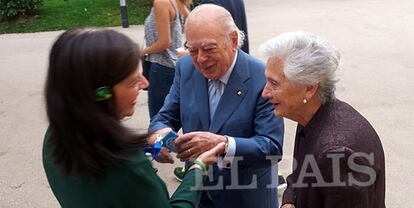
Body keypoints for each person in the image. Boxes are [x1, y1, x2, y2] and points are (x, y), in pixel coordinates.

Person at [42, 28, 225, 208]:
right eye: (133, 81)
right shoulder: (128, 168)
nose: (145, 84)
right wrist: (198, 168)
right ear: (103, 94)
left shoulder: (55, 137)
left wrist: (151, 149)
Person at [148, 5, 284, 208]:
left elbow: (271, 146)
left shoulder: (261, 77)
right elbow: (163, 118)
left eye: (209, 49)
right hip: (198, 195)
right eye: (192, 50)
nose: (200, 59)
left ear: (233, 41)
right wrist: (159, 142)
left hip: (246, 198)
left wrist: (223, 144)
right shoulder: (186, 68)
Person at [260, 31, 386, 208]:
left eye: (274, 84)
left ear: (309, 89)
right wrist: (290, 201)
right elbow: (300, 175)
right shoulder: (311, 116)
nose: (265, 93)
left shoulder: (336, 152)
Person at [143, 0, 191, 119]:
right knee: (170, 116)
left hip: (162, 66)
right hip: (174, 65)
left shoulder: (161, 2)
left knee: (157, 118)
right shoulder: (176, 2)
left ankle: (161, 138)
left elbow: (164, 42)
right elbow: (193, 23)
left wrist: (142, 52)